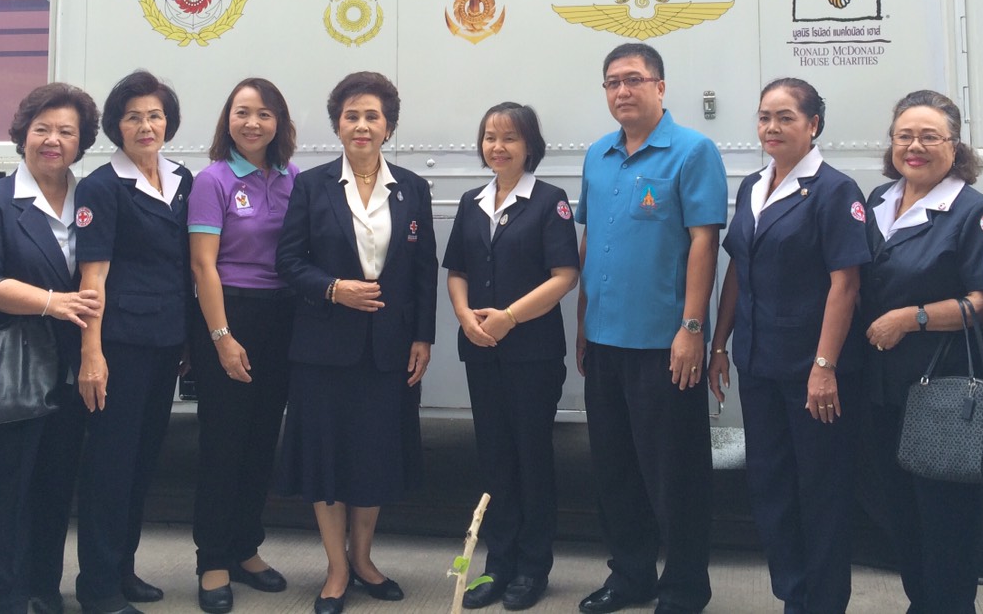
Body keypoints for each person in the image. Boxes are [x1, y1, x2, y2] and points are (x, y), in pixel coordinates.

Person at [275, 71, 437, 614]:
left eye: (372, 116)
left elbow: (424, 269)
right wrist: (333, 289)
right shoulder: (311, 185)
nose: (362, 125)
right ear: (337, 125)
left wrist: (423, 336)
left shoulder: (412, 188)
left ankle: (364, 559)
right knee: (327, 459)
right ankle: (337, 569)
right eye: (351, 116)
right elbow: (288, 261)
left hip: (388, 349)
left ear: (388, 125)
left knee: (373, 457)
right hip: (323, 349)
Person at [574, 43, 727, 614]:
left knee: (675, 475)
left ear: (660, 87)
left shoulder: (692, 151)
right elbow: (591, 240)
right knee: (614, 470)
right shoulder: (598, 155)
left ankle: (685, 588)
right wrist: (583, 320)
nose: (622, 91)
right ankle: (630, 576)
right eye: (612, 81)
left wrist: (692, 327)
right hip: (605, 339)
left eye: (634, 79)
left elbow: (704, 242)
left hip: (665, 344)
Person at [708, 77, 868, 614]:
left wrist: (824, 366)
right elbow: (738, 267)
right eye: (764, 117)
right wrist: (719, 344)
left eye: (785, 117)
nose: (771, 128)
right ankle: (793, 595)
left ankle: (823, 603)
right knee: (770, 488)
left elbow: (846, 284)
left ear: (813, 124)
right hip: (758, 364)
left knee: (820, 493)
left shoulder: (834, 191)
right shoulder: (754, 185)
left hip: (811, 372)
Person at [0, 82, 103, 614]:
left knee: (54, 486)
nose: (52, 140)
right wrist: (52, 303)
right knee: (1, 493)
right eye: (42, 129)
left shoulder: (92, 198)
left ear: (82, 141)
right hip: (10, 372)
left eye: (66, 131)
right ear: (23, 135)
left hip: (69, 370)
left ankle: (42, 587)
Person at [858, 89, 983, 614]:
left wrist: (912, 318)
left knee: (946, 523)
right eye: (904, 136)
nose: (914, 147)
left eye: (929, 137)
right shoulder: (879, 200)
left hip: (942, 392)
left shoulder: (974, 212)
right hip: (882, 387)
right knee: (899, 516)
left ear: (955, 146)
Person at [445, 103, 580, 612]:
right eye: (489, 137)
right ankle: (497, 563)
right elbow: (457, 270)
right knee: (495, 459)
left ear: (530, 147)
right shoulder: (471, 202)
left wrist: (508, 317)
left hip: (531, 355)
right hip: (481, 350)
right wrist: (465, 316)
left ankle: (532, 567)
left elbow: (564, 276)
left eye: (509, 138)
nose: (497, 147)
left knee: (531, 458)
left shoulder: (549, 201)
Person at [74, 70, 193, 614]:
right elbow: (92, 279)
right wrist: (91, 354)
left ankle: (123, 570)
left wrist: (188, 338)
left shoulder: (182, 179)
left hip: (165, 341)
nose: (146, 126)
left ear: (168, 121)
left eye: (155, 116)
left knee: (143, 463)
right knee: (110, 467)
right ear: (116, 126)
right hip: (119, 346)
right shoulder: (101, 188)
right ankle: (97, 587)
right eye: (133, 117)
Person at [188, 78, 299, 613]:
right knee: (223, 444)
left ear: (279, 123)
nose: (253, 123)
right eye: (242, 112)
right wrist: (222, 337)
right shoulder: (212, 180)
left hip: (281, 319)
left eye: (264, 114)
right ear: (227, 120)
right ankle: (212, 559)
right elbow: (202, 265)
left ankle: (245, 548)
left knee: (259, 442)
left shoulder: (292, 178)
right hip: (228, 315)